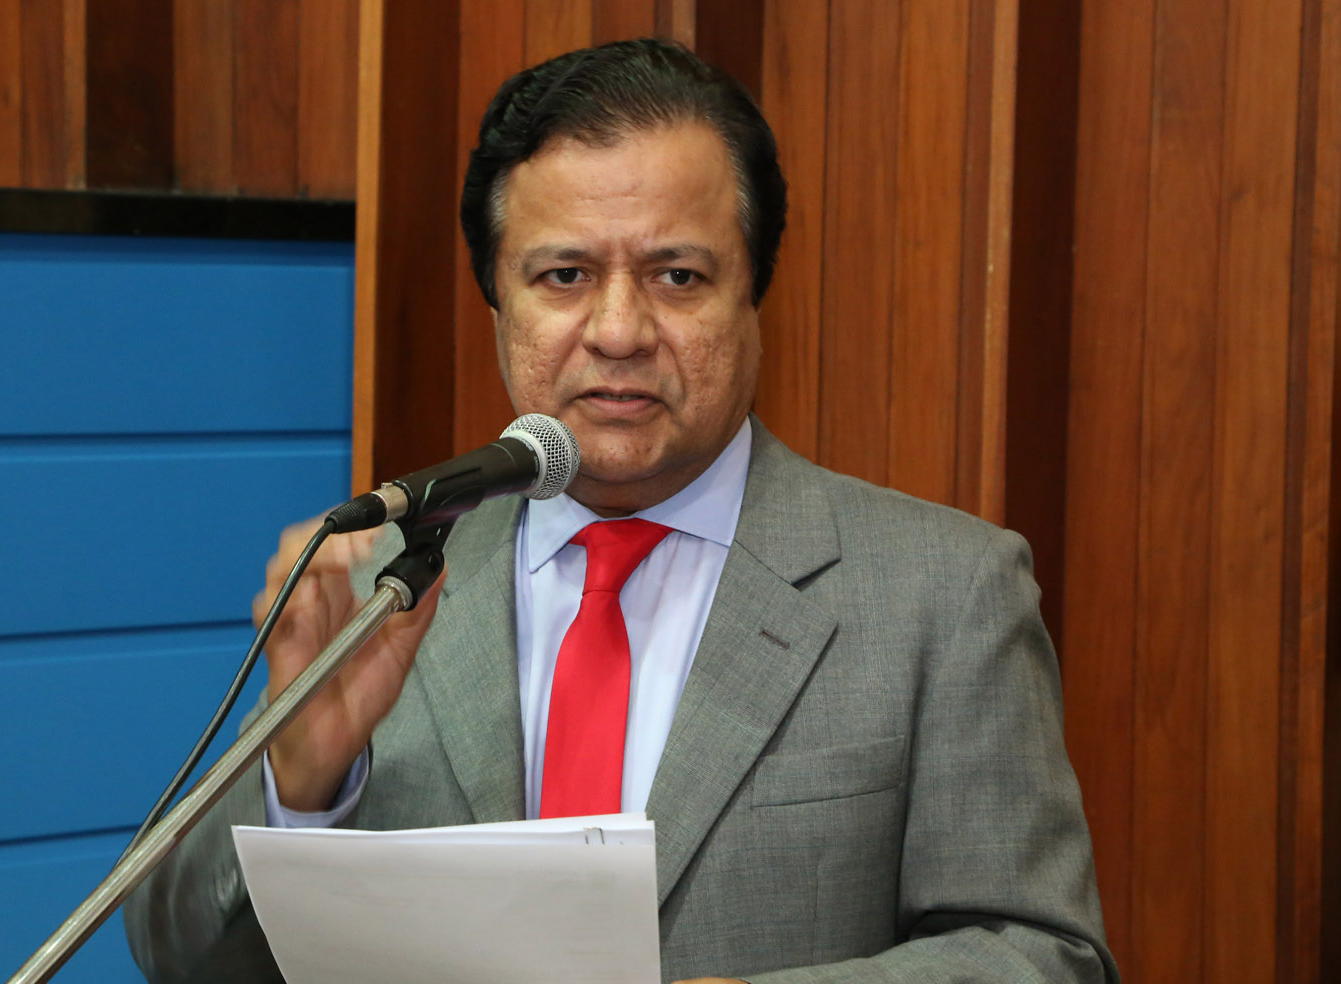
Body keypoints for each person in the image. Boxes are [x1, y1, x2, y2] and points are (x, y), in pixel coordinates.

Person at [125, 39, 1117, 984]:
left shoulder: (943, 593)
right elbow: (173, 950)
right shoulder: (384, 578)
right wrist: (299, 785)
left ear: (754, 296)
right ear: (498, 305)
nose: (618, 331)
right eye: (564, 276)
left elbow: (1040, 956)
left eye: (677, 276)